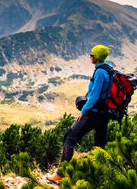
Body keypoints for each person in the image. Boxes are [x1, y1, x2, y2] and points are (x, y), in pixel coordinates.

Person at [47, 44, 113, 182]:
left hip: (93, 113)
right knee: (99, 145)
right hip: (103, 114)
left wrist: (83, 111)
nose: (90, 56)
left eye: (92, 54)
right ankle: (99, 177)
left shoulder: (100, 72)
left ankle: (60, 174)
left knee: (69, 137)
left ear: (97, 57)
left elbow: (94, 97)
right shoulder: (107, 70)